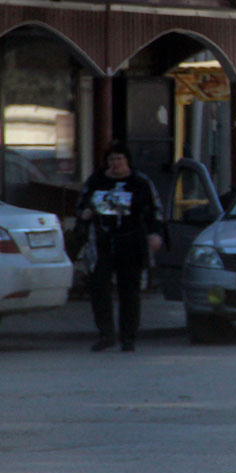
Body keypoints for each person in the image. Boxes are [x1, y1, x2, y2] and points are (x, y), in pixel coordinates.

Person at [76, 143, 166, 352]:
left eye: (119, 159)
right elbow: (81, 204)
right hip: (103, 241)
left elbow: (154, 209)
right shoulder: (97, 180)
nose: (115, 164)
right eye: (111, 160)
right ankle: (106, 334)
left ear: (127, 161)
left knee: (129, 290)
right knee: (99, 286)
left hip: (131, 240)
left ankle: (128, 337)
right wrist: (85, 213)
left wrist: (155, 233)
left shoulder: (140, 182)